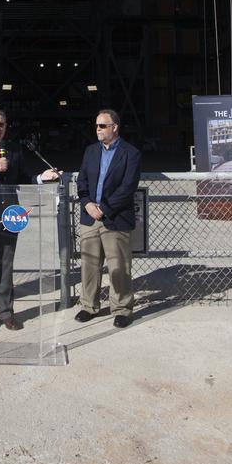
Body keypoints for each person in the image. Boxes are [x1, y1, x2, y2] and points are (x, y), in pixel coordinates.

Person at [0, 109, 60, 332]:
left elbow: (24, 178)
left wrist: (42, 178)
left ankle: (6, 312)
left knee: (6, 268)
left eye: (1, 125)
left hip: (10, 217)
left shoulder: (13, 149)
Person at [74, 109, 141, 328]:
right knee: (89, 265)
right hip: (90, 217)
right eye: (96, 126)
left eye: (102, 126)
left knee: (118, 266)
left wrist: (104, 208)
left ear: (115, 127)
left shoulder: (130, 153)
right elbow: (82, 180)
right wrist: (87, 204)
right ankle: (88, 306)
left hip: (115, 217)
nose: (98, 130)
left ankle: (122, 308)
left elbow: (128, 187)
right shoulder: (90, 151)